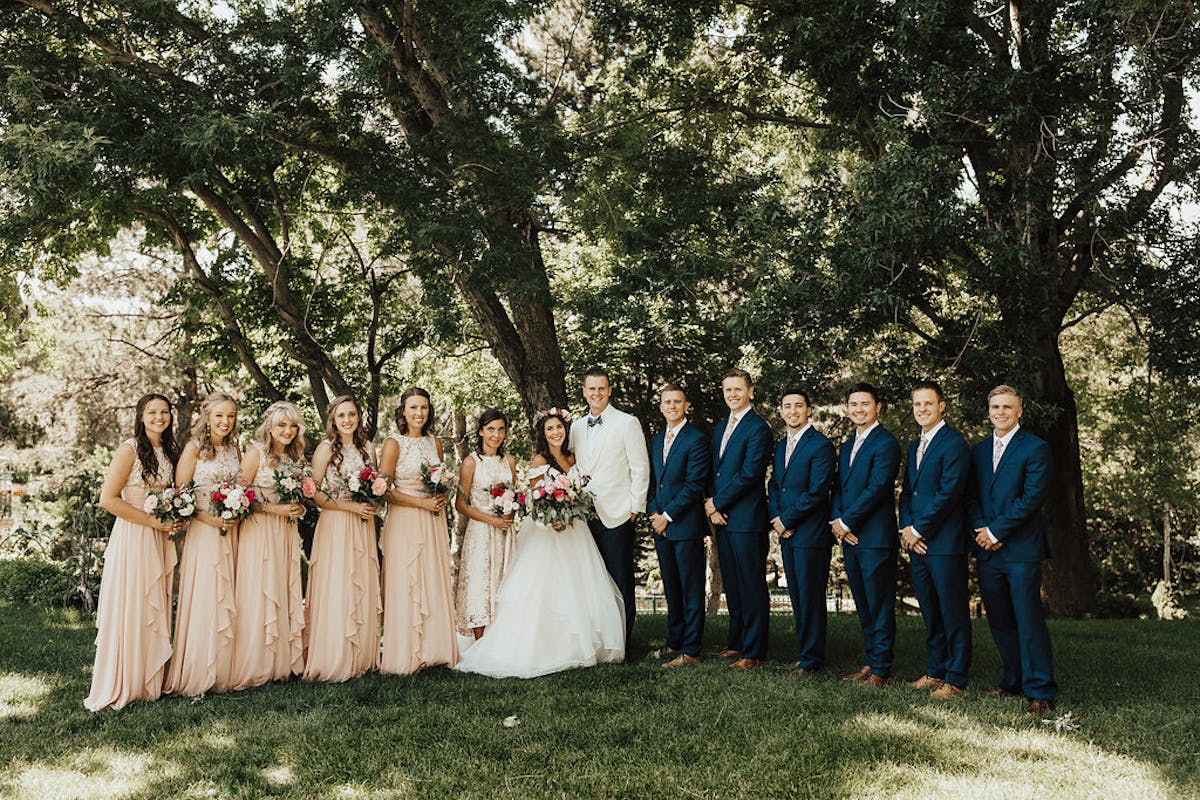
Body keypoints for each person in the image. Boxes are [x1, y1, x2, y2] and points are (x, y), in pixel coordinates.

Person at [455, 408, 625, 678]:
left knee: (578, 585)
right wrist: (551, 517)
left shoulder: (573, 457)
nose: (555, 432)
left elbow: (581, 489)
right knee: (540, 587)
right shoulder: (538, 459)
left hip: (574, 530)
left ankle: (577, 644)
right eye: (550, 429)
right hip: (546, 530)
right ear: (543, 434)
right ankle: (535, 644)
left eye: (559, 427)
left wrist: (570, 510)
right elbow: (535, 497)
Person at [86, 394, 182, 711]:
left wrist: (174, 516)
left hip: (160, 535)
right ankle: (125, 681)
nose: (159, 417)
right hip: (134, 534)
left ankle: (149, 680)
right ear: (141, 416)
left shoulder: (170, 451)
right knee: (133, 603)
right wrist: (152, 521)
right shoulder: (129, 449)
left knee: (155, 603)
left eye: (164, 412)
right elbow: (109, 499)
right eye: (152, 412)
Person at [967, 385, 1057, 715]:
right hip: (987, 549)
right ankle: (1013, 680)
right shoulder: (977, 452)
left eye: (1007, 407)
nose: (1000, 412)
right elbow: (971, 496)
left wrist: (997, 530)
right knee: (1001, 619)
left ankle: (1040, 690)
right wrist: (982, 531)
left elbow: (1031, 499)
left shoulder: (1036, 448)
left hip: (1020, 549)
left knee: (1028, 618)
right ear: (988, 410)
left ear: (1019, 411)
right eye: (995, 407)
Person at [899, 380, 972, 699]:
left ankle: (956, 677)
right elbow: (906, 492)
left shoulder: (954, 444)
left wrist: (919, 530)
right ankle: (935, 669)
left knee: (952, 610)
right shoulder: (916, 445)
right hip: (916, 542)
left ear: (942, 406)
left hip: (944, 542)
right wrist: (906, 529)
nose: (922, 409)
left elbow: (949, 494)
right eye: (917, 404)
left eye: (928, 403)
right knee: (930, 608)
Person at [165, 392, 241, 697]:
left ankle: (225, 669)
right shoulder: (194, 448)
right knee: (207, 593)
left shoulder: (235, 449)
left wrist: (237, 508)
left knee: (228, 592)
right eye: (219, 415)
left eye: (231, 416)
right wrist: (209, 519)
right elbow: (179, 496)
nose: (225, 421)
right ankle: (198, 670)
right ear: (207, 417)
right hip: (204, 531)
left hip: (232, 530)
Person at [378, 387, 458, 674]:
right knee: (407, 580)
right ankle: (405, 654)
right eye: (413, 408)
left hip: (432, 520)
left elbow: (440, 481)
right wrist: (420, 503)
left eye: (423, 407)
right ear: (402, 411)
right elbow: (382, 490)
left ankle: (435, 650)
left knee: (432, 577)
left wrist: (443, 495)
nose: (419, 413)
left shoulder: (435, 442)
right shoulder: (392, 443)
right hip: (405, 517)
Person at [568, 368, 649, 645]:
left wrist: (635, 509)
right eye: (591, 389)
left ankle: (623, 643)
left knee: (620, 579)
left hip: (618, 513)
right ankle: (598, 640)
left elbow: (640, 468)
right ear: (584, 391)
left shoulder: (627, 423)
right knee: (592, 580)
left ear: (610, 390)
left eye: (601, 388)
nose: (596, 393)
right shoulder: (576, 427)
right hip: (585, 515)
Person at [303, 395, 382, 682]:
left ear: (359, 417)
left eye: (352, 414)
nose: (347, 420)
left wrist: (372, 501)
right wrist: (350, 506)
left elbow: (374, 484)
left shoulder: (368, 448)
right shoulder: (325, 449)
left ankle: (362, 656)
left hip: (362, 523)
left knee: (360, 581)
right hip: (336, 522)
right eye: (341, 416)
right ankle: (334, 656)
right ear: (333, 420)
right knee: (337, 583)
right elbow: (313, 492)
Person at [230, 401, 308, 690]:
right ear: (270, 427)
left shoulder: (295, 457)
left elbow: (296, 494)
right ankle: (256, 662)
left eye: (292, 426)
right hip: (259, 530)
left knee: (283, 585)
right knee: (259, 589)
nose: (287, 431)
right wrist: (274, 511)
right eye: (281, 425)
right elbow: (238, 495)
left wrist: (297, 507)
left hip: (285, 532)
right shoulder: (256, 453)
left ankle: (281, 662)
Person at [830, 382, 902, 687]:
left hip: (874, 537)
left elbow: (877, 488)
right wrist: (837, 520)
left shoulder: (886, 443)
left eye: (865, 404)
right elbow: (839, 488)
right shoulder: (847, 445)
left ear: (878, 407)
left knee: (879, 603)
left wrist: (846, 522)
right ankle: (870, 661)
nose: (859, 409)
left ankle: (882, 669)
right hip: (850, 536)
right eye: (854, 405)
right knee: (862, 601)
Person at [705, 368, 773, 669]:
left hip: (747, 519)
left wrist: (717, 502)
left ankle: (754, 651)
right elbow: (714, 471)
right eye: (728, 389)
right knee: (732, 582)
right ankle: (737, 643)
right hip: (722, 518)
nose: (732, 394)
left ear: (750, 391)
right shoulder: (720, 427)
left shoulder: (759, 428)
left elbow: (750, 474)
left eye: (738, 389)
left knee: (751, 583)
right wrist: (713, 507)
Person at [767, 389, 836, 678]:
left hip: (810, 533)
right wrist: (776, 518)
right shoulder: (783, 445)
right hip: (788, 533)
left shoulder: (820, 445)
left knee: (810, 597)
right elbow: (774, 486)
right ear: (781, 411)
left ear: (809, 410)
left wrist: (788, 519)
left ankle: (812, 659)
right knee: (797, 595)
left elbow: (817, 491)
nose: (792, 411)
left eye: (798, 406)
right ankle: (803, 653)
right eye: (787, 406)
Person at [646, 385, 711, 668]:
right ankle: (675, 642)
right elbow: (653, 481)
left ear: (686, 406)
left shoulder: (696, 439)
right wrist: (653, 513)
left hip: (685, 524)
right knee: (672, 587)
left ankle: (692, 650)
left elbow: (694, 484)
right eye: (667, 402)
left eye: (677, 402)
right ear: (660, 406)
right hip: (660, 525)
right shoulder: (657, 439)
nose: (671, 406)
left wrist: (668, 515)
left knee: (691, 588)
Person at [454, 407, 518, 639]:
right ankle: (480, 642)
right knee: (480, 582)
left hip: (505, 533)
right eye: (491, 429)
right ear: (481, 432)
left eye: (501, 429)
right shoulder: (472, 463)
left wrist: (512, 512)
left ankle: (504, 638)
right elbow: (460, 504)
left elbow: (515, 495)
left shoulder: (509, 461)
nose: (496, 435)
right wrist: (491, 520)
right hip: (481, 531)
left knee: (505, 580)